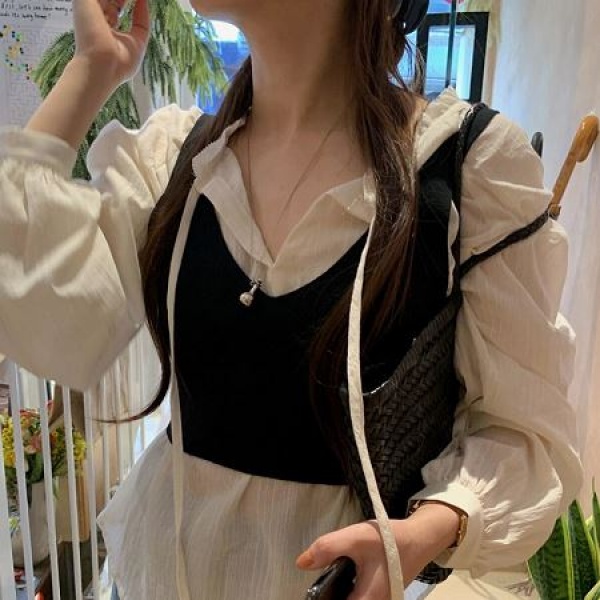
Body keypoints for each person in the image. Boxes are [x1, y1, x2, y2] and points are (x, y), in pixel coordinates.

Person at [0, 0, 583, 599]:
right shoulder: (179, 160)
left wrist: (421, 533)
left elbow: (525, 434)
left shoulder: (463, 168)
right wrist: (91, 69)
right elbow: (41, 310)